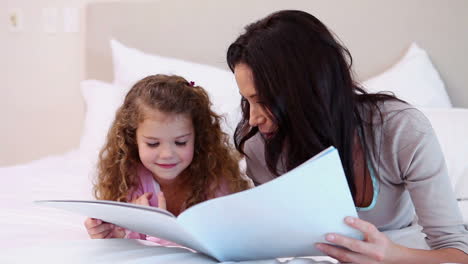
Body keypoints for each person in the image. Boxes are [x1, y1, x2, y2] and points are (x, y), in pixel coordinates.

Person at [226, 10, 468, 263]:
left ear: (310, 90)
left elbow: (457, 253)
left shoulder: (400, 130)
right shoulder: (260, 146)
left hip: (400, 250)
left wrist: (390, 256)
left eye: (263, 101)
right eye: (247, 100)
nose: (253, 119)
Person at [84, 74, 251, 244]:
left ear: (197, 138)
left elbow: (217, 245)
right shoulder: (131, 178)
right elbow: (136, 243)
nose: (167, 154)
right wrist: (114, 234)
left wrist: (158, 230)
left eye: (180, 142)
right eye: (153, 144)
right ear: (133, 140)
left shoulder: (214, 179)